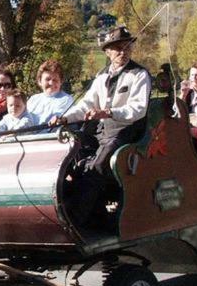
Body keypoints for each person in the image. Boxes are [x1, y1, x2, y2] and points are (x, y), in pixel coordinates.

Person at [54, 26, 151, 226]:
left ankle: (77, 220)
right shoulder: (101, 77)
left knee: (98, 164)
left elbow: (138, 109)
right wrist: (65, 118)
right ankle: (72, 208)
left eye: (126, 47)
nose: (123, 52)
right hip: (101, 132)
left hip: (126, 132)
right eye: (117, 48)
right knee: (74, 150)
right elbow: (86, 105)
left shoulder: (139, 74)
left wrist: (109, 113)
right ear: (107, 52)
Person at [25, 59, 74, 124]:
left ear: (61, 82)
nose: (51, 83)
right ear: (39, 81)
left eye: (55, 80)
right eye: (47, 79)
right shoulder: (32, 100)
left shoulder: (66, 100)